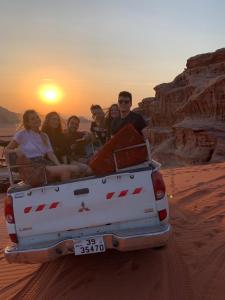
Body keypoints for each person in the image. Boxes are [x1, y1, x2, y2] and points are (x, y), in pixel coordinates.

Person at [6, 110, 83, 182]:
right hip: (31, 167)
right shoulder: (22, 134)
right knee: (65, 171)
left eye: (37, 117)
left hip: (42, 163)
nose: (36, 120)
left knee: (76, 169)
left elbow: (50, 153)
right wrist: (16, 151)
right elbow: (7, 150)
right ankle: (66, 193)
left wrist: (58, 165)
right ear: (27, 123)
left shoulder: (44, 136)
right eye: (33, 119)